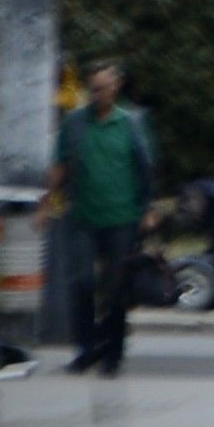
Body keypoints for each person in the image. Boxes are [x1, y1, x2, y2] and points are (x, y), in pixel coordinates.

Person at [46, 60, 156, 377]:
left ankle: (113, 354)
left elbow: (145, 169)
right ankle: (86, 348)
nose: (98, 94)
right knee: (81, 282)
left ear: (116, 88)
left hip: (122, 216)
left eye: (104, 88)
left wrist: (147, 209)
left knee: (116, 287)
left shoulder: (130, 124)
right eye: (93, 89)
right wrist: (45, 203)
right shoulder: (75, 123)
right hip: (83, 216)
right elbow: (61, 165)